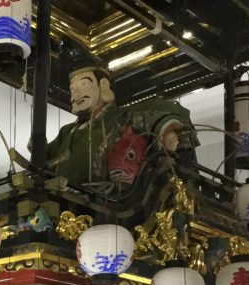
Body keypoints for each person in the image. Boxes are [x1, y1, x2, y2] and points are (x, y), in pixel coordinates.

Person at [46, 60, 198, 194]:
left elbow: (168, 118)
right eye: (72, 88)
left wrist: (169, 153)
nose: (75, 92)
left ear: (103, 85)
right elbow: (44, 158)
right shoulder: (67, 132)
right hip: (67, 200)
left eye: (83, 84)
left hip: (109, 200)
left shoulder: (125, 117)